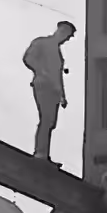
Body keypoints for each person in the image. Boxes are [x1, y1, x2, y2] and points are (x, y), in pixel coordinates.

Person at [23, 21, 76, 162]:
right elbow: (28, 58)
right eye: (67, 36)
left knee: (50, 121)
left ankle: (44, 154)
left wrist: (62, 95)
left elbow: (58, 75)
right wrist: (41, 70)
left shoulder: (58, 53)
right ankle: (40, 153)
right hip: (43, 85)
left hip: (53, 90)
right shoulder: (41, 42)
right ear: (62, 31)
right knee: (46, 119)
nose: (67, 39)